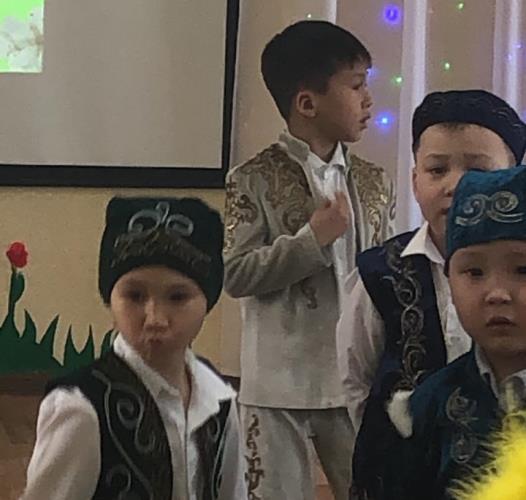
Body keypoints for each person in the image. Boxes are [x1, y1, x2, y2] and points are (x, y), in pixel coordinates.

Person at [223, 19, 394, 500]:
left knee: (373, 489)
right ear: (307, 103)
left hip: (355, 378)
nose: (368, 100)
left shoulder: (375, 182)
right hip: (277, 384)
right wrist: (311, 241)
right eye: (356, 86)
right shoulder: (252, 179)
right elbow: (235, 273)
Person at [335, 89, 526, 499]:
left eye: (477, 170)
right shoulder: (379, 273)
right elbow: (356, 378)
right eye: (437, 170)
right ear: (415, 179)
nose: (454, 185)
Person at [22, 196, 247, 500]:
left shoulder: (217, 398)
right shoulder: (83, 407)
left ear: (207, 302)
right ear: (110, 299)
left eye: (178, 297)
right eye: (135, 296)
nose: (155, 318)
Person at [386, 165, 526, 499]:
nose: (497, 293)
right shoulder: (429, 406)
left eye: (523, 269)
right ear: (449, 280)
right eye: (474, 272)